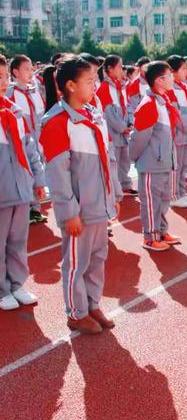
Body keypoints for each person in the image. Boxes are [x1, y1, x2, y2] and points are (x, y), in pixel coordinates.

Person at [39, 55, 121, 334]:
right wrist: (69, 212)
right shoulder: (57, 122)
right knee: (76, 263)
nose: (95, 86)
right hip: (79, 211)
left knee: (98, 258)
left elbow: (107, 162)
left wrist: (113, 197)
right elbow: (58, 175)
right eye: (90, 81)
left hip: (99, 205)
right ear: (71, 86)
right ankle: (76, 312)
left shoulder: (93, 115)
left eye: (96, 80)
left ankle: (92, 303)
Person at [0, 54, 46, 310]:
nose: (4, 82)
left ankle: (17, 284)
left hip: (20, 189)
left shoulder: (13, 112)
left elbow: (29, 150)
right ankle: (1, 289)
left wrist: (37, 179)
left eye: (5, 76)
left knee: (18, 240)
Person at [129, 61, 181, 252]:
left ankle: (161, 230)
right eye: (169, 75)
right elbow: (138, 139)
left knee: (163, 200)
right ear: (159, 80)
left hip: (164, 161)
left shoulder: (162, 101)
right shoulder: (149, 104)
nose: (173, 78)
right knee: (151, 202)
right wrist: (137, 159)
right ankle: (150, 237)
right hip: (152, 164)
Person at [8, 54, 48, 224]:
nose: (31, 71)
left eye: (31, 68)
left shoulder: (35, 90)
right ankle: (27, 208)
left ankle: (35, 209)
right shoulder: (11, 93)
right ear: (15, 72)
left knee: (38, 168)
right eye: (26, 69)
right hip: (22, 140)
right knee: (25, 171)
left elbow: (41, 114)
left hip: (38, 139)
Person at [97, 55, 137, 196]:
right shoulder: (104, 88)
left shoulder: (122, 87)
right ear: (110, 69)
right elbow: (108, 113)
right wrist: (122, 127)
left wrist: (130, 122)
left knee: (125, 159)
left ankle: (125, 184)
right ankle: (115, 188)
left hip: (124, 130)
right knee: (115, 160)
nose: (122, 69)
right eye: (120, 66)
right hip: (114, 132)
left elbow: (128, 106)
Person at [166, 55, 187, 208]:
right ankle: (174, 195)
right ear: (172, 71)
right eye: (183, 68)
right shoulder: (170, 89)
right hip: (179, 134)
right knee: (176, 165)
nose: (186, 71)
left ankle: (181, 191)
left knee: (184, 164)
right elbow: (175, 113)